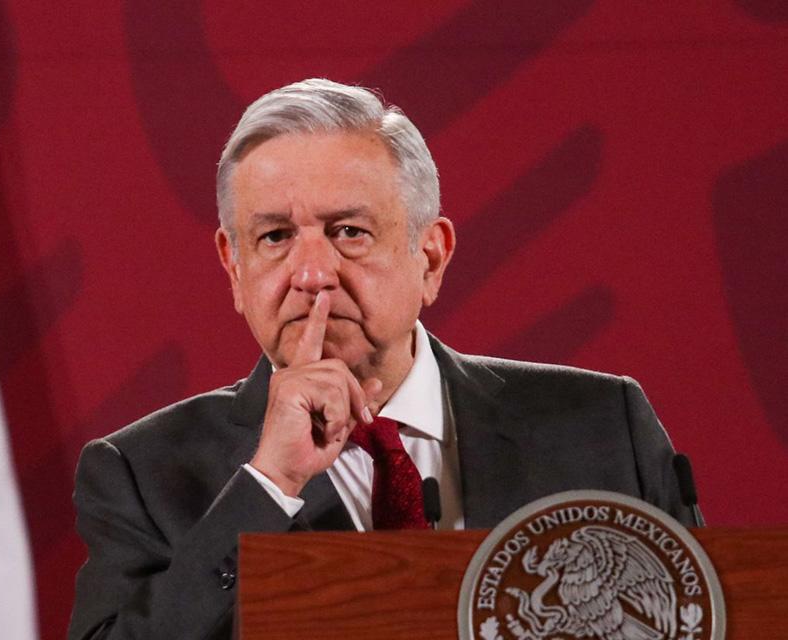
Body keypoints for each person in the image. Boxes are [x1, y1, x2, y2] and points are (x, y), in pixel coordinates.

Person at [68, 79, 692, 640]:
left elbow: (704, 615)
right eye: (275, 237)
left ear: (431, 256)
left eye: (349, 232)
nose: (312, 274)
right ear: (234, 268)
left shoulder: (601, 428)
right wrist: (269, 484)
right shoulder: (144, 474)